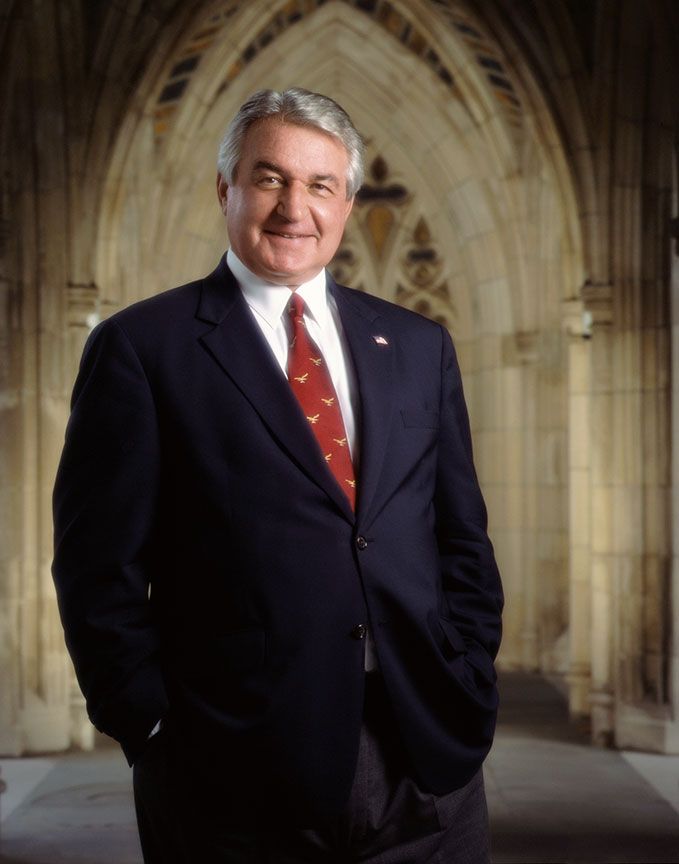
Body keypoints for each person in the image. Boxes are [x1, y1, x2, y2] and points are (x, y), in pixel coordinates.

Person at [52, 87, 503, 863]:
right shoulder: (143, 348)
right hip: (227, 763)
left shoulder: (418, 345)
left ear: (349, 202)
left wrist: (467, 672)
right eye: (269, 179)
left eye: (320, 185)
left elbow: (458, 530)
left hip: (424, 749)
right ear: (225, 189)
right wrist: (148, 722)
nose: (295, 207)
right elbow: (96, 564)